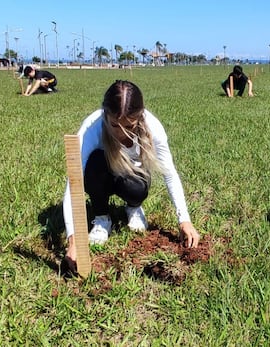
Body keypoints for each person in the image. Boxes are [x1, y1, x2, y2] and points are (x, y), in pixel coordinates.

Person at [62, 80, 201, 268]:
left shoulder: (154, 128)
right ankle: (102, 218)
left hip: (131, 177)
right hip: (102, 174)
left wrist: (184, 220)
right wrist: (73, 240)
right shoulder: (91, 129)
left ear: (140, 116)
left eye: (129, 127)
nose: (121, 133)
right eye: (114, 125)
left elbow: (170, 174)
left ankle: (133, 208)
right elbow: (74, 183)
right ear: (105, 114)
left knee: (136, 188)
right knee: (95, 164)